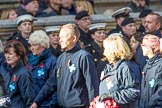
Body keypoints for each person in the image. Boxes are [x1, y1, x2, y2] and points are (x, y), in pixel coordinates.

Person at [30, 23, 99, 108]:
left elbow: (92, 85)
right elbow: (51, 84)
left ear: (73, 38)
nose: (60, 40)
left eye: (63, 37)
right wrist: (37, 102)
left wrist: (94, 105)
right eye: (60, 37)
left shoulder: (83, 57)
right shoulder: (61, 58)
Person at [98, 35, 140, 108]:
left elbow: (133, 92)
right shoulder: (109, 67)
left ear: (114, 50)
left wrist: (111, 96)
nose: (104, 53)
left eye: (106, 49)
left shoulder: (125, 67)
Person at [27, 30, 58, 107]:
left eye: (34, 45)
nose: (32, 48)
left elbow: (55, 86)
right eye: (31, 45)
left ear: (43, 45)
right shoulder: (29, 61)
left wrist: (51, 105)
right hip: (32, 104)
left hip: (46, 104)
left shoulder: (52, 61)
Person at [0, 40, 34, 108]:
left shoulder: (24, 73)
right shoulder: (4, 70)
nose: (7, 56)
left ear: (19, 55)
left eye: (10, 54)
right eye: (6, 53)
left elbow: (29, 99)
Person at [139, 34, 162, 108]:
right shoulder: (147, 66)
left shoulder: (160, 66)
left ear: (152, 46)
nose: (141, 47)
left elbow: (160, 93)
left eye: (143, 45)